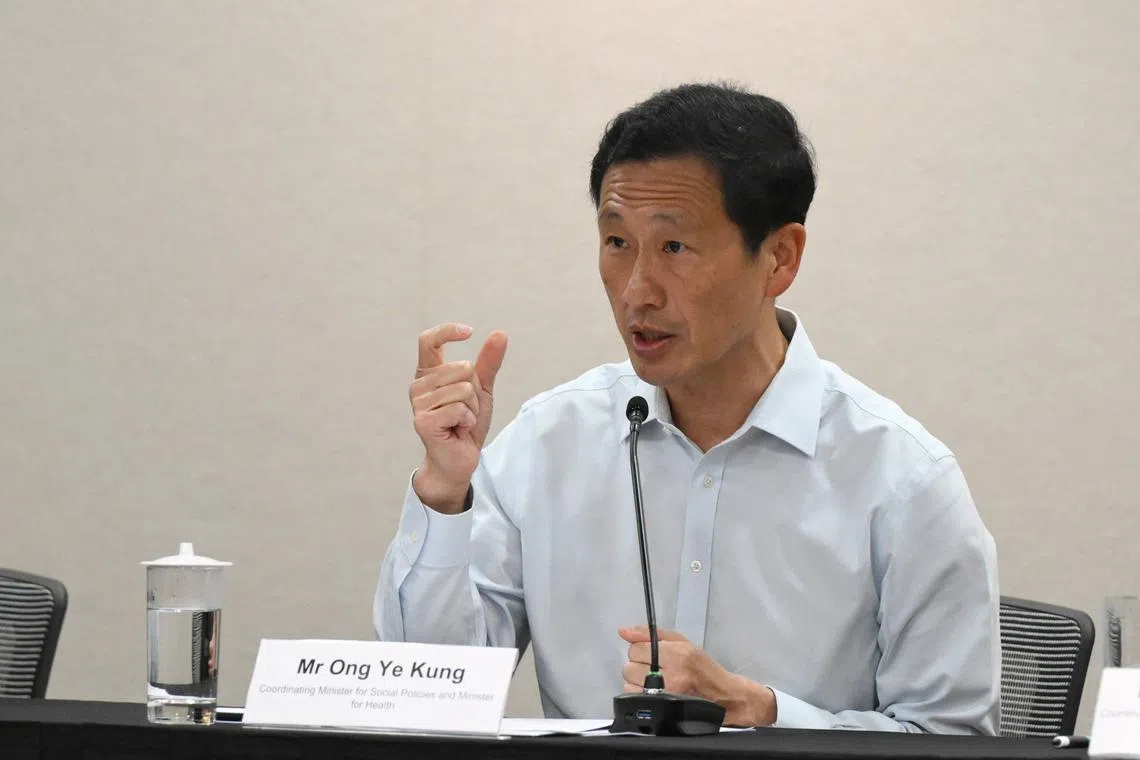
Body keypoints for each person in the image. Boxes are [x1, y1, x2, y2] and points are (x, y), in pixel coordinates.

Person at [373, 82, 1001, 734]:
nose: (637, 291)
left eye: (675, 247)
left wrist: (768, 714)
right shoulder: (547, 443)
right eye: (617, 243)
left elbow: (951, 739)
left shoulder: (903, 480)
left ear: (780, 258)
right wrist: (445, 493)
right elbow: (429, 698)